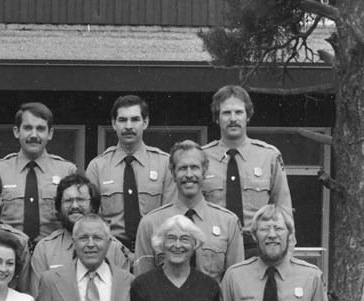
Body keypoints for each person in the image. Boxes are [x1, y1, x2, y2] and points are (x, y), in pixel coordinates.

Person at [201, 85, 291, 257]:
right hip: (213, 250)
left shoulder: (269, 156)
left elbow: (284, 212)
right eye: (226, 113)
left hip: (257, 249)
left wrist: (287, 259)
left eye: (239, 112)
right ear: (217, 118)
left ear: (248, 116)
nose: (233, 119)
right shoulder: (201, 158)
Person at [134, 140, 243, 281]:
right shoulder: (150, 223)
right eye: (182, 168)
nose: (189, 174)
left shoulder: (229, 223)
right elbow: (142, 285)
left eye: (195, 167)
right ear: (173, 172)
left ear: (204, 171)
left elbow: (234, 283)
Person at [85, 95, 173, 250]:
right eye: (122, 120)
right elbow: (91, 221)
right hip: (111, 252)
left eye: (135, 119)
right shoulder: (97, 167)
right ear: (113, 123)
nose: (128, 126)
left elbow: (170, 217)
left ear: (145, 123)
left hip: (154, 250)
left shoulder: (165, 164)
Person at [0, 102, 78, 246]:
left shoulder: (67, 171)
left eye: (41, 129)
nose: (34, 135)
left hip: (53, 252)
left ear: (50, 133)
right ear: (17, 131)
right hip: (9, 252)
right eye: (28, 128)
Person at [29, 173, 132, 296]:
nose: (74, 206)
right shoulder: (45, 249)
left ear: (93, 205)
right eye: (68, 201)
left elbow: (122, 298)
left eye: (80, 200)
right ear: (59, 207)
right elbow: (39, 298)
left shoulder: (113, 248)